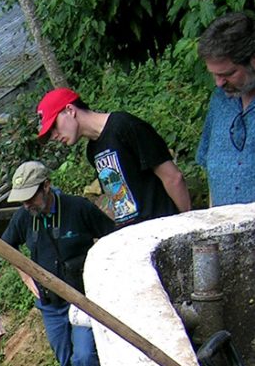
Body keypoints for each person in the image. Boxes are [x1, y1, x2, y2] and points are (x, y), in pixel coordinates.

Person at [3, 161, 115, 366]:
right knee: (65, 362)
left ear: (47, 186)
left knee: (85, 356)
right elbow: (7, 247)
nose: (27, 204)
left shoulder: (78, 208)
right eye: (23, 200)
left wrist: (100, 277)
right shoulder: (24, 217)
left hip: (82, 299)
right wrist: (27, 278)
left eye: (31, 197)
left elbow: (113, 238)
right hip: (51, 305)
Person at [37, 87, 191, 226]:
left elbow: (173, 178)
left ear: (70, 110)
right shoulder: (92, 151)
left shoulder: (124, 125)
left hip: (163, 226)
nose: (54, 136)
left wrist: (187, 224)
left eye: (54, 127)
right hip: (134, 237)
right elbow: (116, 198)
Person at [196, 11, 255, 207]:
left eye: (228, 74)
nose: (219, 83)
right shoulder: (219, 100)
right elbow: (212, 173)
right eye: (214, 75)